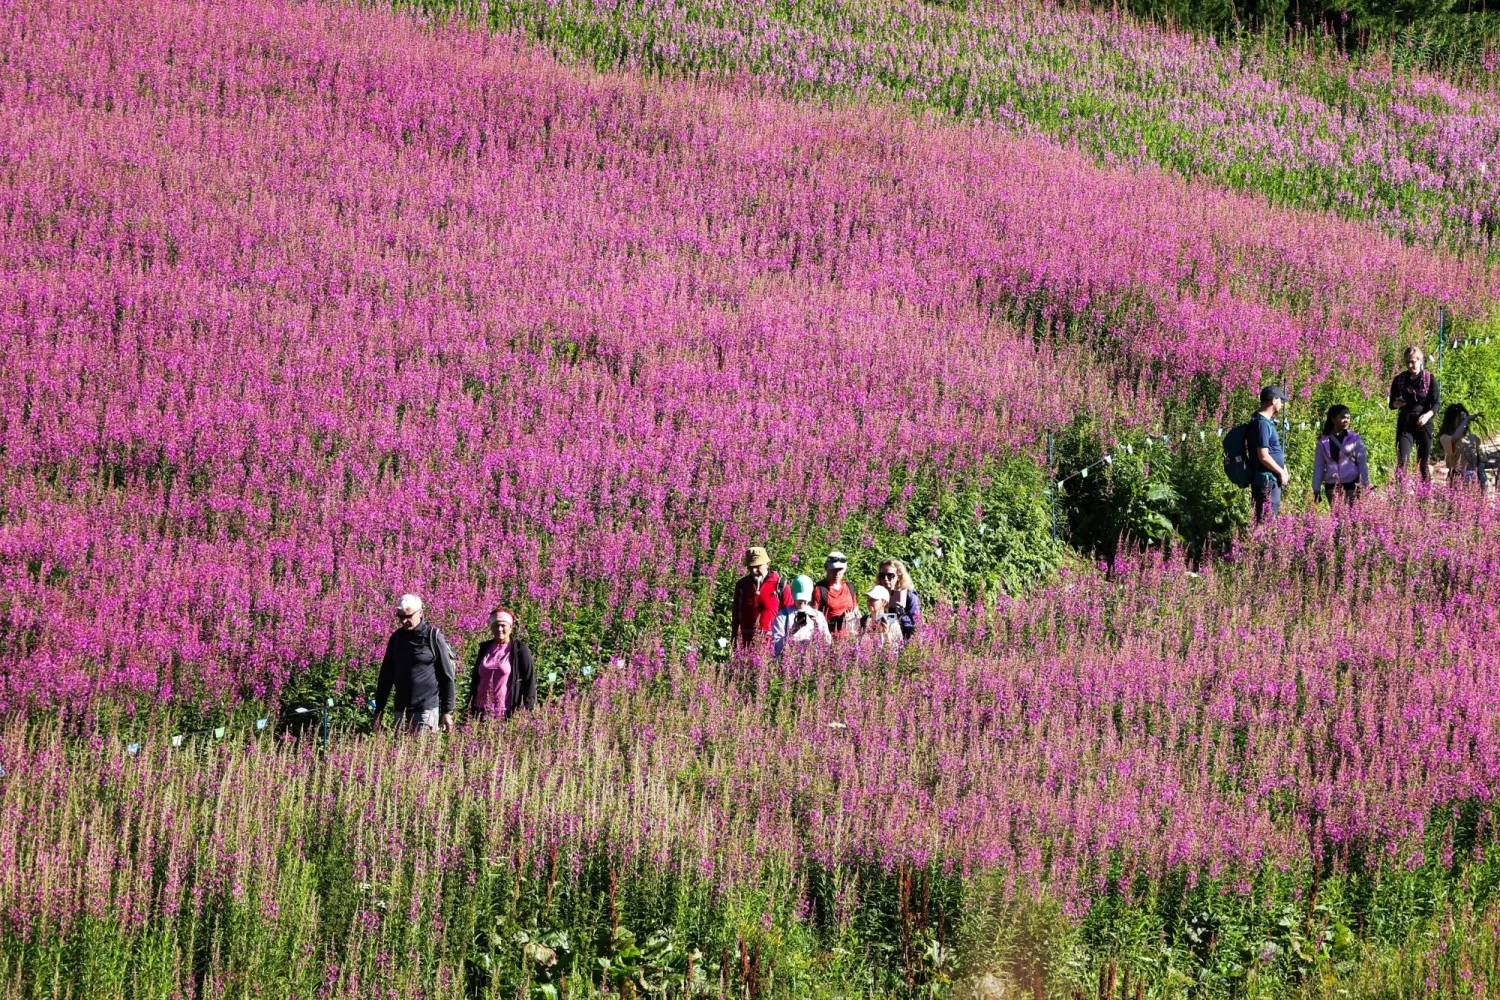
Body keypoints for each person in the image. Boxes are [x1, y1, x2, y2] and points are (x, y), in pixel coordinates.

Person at [373, 594, 456, 733]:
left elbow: (447, 676)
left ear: (420, 613)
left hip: (426, 710)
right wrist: (379, 711)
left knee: (421, 752)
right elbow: (385, 677)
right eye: (400, 617)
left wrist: (447, 712)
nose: (404, 621)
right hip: (401, 710)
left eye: (408, 616)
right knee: (399, 753)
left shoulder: (433, 636)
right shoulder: (396, 638)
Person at [466, 607, 537, 719]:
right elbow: (476, 679)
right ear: (491, 627)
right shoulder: (485, 648)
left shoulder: (519, 649)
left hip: (505, 713)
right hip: (479, 710)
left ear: (510, 627)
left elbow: (529, 680)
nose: (499, 629)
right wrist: (469, 705)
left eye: (503, 625)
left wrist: (527, 710)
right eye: (496, 625)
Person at [1389, 346, 1440, 483]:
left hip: (1424, 424)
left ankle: (1425, 495)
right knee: (1402, 462)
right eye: (1407, 362)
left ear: (1420, 361)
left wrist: (1427, 415)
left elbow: (1436, 403)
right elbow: (1391, 404)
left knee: (1423, 463)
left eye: (1413, 362)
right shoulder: (1399, 380)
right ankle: (1400, 496)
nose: (1410, 365)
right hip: (1406, 424)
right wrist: (1396, 404)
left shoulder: (1429, 379)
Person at [730, 547, 792, 647]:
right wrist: (734, 639)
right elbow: (736, 615)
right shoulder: (742, 585)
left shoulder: (781, 585)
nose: (753, 570)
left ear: (768, 564)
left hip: (772, 646)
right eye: (750, 567)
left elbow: (790, 617)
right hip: (745, 645)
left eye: (758, 566)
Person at [1311, 405, 1369, 506]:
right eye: (1342, 417)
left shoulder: (1355, 439)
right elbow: (1319, 467)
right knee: (1336, 519)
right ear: (1333, 419)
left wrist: (1365, 484)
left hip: (1351, 485)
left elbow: (1362, 463)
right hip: (1332, 486)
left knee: (1351, 518)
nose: (1346, 420)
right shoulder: (1323, 441)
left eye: (1348, 417)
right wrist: (1316, 489)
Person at [1247, 385, 1290, 523]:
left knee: (1268, 521)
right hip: (1266, 481)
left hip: (1271, 479)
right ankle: (1259, 544)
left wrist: (1283, 469)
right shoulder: (1261, 424)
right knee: (1266, 522)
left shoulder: (1265, 423)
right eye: (1280, 400)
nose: (1281, 404)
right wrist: (1281, 472)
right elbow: (1263, 455)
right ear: (1273, 400)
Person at [771, 575, 832, 656]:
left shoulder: (818, 615)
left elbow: (827, 644)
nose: (802, 601)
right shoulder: (783, 615)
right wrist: (793, 630)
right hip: (789, 661)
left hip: (811, 661)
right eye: (799, 598)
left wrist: (818, 626)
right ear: (792, 594)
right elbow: (777, 647)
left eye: (805, 598)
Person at [1439, 404, 1487, 490]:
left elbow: (1482, 459)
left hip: (1474, 480)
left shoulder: (1474, 438)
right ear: (1451, 421)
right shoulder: (1445, 438)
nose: (1464, 422)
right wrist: (1467, 419)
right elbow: (1455, 438)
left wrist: (1481, 473)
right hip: (1456, 480)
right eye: (1460, 419)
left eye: (1465, 419)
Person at [811, 551, 859, 636]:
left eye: (840, 569)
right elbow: (813, 617)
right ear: (826, 568)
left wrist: (853, 616)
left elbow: (857, 612)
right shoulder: (819, 589)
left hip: (850, 637)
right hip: (827, 638)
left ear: (845, 569)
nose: (837, 573)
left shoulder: (850, 587)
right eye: (833, 569)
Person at [877, 559, 921, 640]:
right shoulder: (878, 595)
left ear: (899, 577)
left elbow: (916, 625)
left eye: (890, 576)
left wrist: (902, 615)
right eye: (882, 576)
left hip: (903, 640)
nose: (886, 579)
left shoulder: (909, 597)